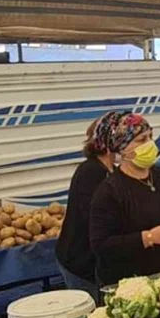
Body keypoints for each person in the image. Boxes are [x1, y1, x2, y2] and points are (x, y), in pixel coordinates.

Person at [89, 113, 160, 285]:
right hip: (131, 282)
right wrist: (148, 237)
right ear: (123, 148)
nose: (150, 144)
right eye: (141, 140)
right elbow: (101, 245)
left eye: (150, 137)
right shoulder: (109, 191)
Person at [55, 112, 120, 301]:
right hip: (80, 261)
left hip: (97, 261)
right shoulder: (90, 172)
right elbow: (94, 218)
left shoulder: (112, 171)